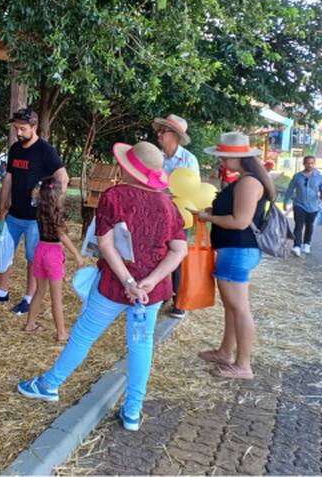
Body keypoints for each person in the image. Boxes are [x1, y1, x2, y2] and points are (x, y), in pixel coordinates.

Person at [17, 141, 187, 433]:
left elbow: (105, 243)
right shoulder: (168, 205)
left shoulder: (115, 196)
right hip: (151, 292)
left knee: (83, 335)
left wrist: (128, 282)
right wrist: (149, 281)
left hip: (113, 284)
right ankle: (133, 409)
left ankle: (49, 384)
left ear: (129, 168)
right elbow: (179, 249)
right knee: (141, 344)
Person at [196, 132, 274, 380]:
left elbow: (240, 221)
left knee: (239, 308)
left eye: (222, 155)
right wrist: (212, 212)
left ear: (235, 157)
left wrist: (208, 218)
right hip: (235, 250)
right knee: (232, 307)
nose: (220, 159)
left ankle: (243, 364)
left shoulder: (248, 183)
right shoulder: (245, 180)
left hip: (238, 250)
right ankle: (226, 352)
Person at [0, 108, 68, 315]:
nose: (18, 132)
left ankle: (29, 298)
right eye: (16, 128)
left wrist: (53, 205)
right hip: (13, 215)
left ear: (34, 127)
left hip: (34, 219)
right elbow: (8, 177)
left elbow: (63, 177)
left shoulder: (45, 150)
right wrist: (2, 206)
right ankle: (1, 292)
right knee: (4, 253)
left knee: (32, 258)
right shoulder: (16, 149)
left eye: (22, 128)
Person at [21, 177, 84, 341]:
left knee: (39, 291)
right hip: (53, 254)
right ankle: (62, 333)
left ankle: (30, 325)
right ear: (58, 194)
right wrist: (77, 255)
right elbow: (62, 236)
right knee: (56, 297)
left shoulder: (39, 210)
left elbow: (35, 195)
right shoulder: (58, 213)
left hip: (40, 250)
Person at [153, 113, 199, 320]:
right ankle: (161, 293)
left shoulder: (189, 160)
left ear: (176, 136)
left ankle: (179, 301)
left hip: (180, 216)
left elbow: (193, 191)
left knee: (177, 257)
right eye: (159, 130)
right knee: (157, 254)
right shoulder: (157, 158)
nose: (159, 134)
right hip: (157, 214)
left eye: (164, 131)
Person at [283, 155, 322, 256]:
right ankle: (296, 246)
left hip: (313, 207)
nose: (310, 165)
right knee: (298, 226)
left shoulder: (319, 177)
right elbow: (290, 189)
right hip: (299, 205)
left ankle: (307, 244)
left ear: (314, 164)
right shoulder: (297, 176)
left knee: (310, 226)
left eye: (312, 163)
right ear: (304, 164)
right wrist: (285, 202)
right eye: (307, 163)